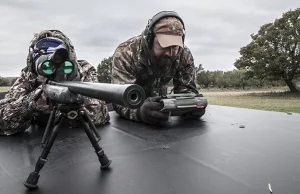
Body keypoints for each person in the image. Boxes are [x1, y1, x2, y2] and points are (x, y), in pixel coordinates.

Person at [0, 29, 110, 136]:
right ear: (33, 64)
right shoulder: (29, 77)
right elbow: (3, 122)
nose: (54, 69)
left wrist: (73, 95)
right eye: (46, 66)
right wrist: (30, 104)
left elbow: (99, 116)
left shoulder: (84, 70)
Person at [111, 11, 204, 125]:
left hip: (163, 118)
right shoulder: (126, 52)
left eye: (175, 46)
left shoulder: (183, 54)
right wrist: (139, 112)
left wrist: (192, 106)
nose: (170, 53)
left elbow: (187, 91)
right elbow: (119, 99)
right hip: (130, 124)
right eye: (164, 45)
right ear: (150, 39)